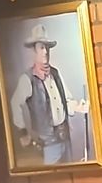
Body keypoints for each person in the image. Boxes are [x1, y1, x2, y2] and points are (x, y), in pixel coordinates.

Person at [10, 25, 72, 165]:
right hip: (48, 143)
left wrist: (79, 106)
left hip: (65, 138)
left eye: (47, 48)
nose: (45, 52)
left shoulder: (55, 73)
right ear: (34, 51)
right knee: (52, 175)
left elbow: (67, 100)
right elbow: (15, 103)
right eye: (41, 48)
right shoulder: (28, 78)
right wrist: (23, 132)